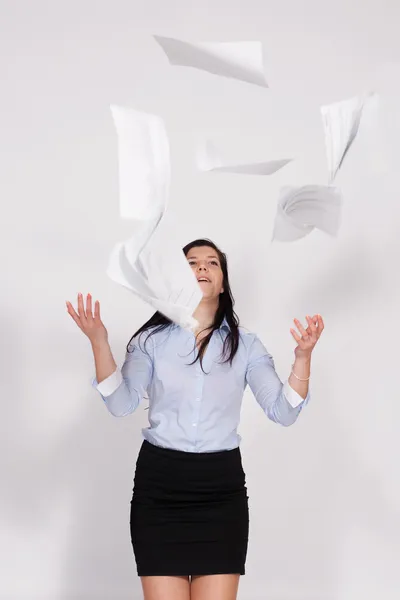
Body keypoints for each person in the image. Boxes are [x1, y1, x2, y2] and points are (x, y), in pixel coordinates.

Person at [66, 238, 324, 600]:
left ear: (223, 282)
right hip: (160, 489)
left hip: (221, 493)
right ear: (177, 277)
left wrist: (302, 358)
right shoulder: (150, 342)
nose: (202, 267)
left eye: (211, 263)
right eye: (192, 262)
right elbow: (121, 404)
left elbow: (283, 411)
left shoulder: (247, 346)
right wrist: (99, 341)